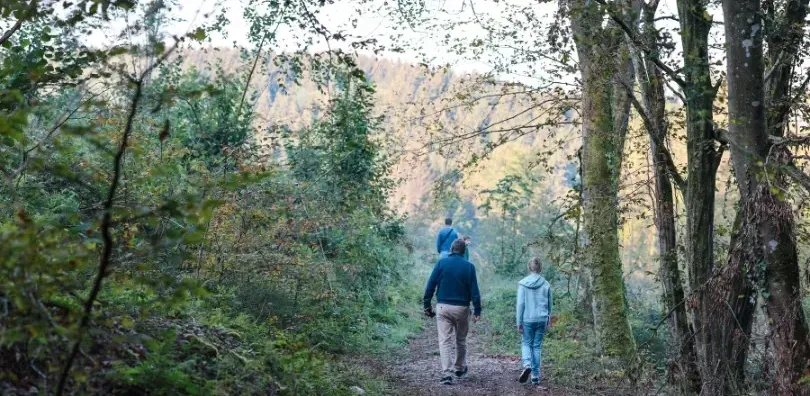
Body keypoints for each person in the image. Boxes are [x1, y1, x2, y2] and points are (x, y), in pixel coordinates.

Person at [423, 239, 482, 385]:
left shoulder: (441, 263)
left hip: (443, 307)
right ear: (463, 251)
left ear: (451, 249)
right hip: (462, 308)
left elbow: (430, 285)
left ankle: (447, 374)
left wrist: (427, 305)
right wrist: (477, 309)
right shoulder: (469, 267)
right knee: (460, 340)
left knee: (444, 341)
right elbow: (474, 291)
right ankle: (459, 368)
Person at [516, 257, 552, 388]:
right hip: (542, 319)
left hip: (527, 318)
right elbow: (549, 304)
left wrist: (518, 322)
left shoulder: (523, 284)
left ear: (529, 268)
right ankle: (535, 377)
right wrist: (548, 319)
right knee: (537, 346)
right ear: (540, 268)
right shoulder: (546, 284)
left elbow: (520, 304)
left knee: (526, 343)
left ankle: (527, 365)